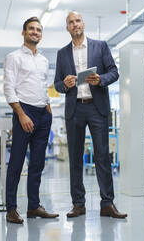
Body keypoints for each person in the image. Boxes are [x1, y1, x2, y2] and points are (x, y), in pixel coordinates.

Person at [54, 11, 127, 219]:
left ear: (83, 24)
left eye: (77, 21)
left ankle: (107, 203)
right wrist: (65, 84)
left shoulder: (100, 46)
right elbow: (57, 84)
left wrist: (101, 79)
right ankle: (78, 204)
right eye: (70, 22)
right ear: (67, 28)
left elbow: (114, 71)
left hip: (97, 107)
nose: (75, 24)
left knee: (102, 155)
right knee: (75, 158)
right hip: (75, 109)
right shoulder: (62, 53)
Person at [3, 16, 59, 224]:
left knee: (38, 163)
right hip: (24, 111)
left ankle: (34, 206)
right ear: (24, 32)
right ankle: (11, 209)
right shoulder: (14, 57)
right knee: (16, 163)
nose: (35, 32)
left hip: (43, 113)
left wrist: (48, 108)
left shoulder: (43, 60)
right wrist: (21, 113)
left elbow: (43, 86)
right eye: (31, 29)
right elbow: (9, 88)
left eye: (38, 30)